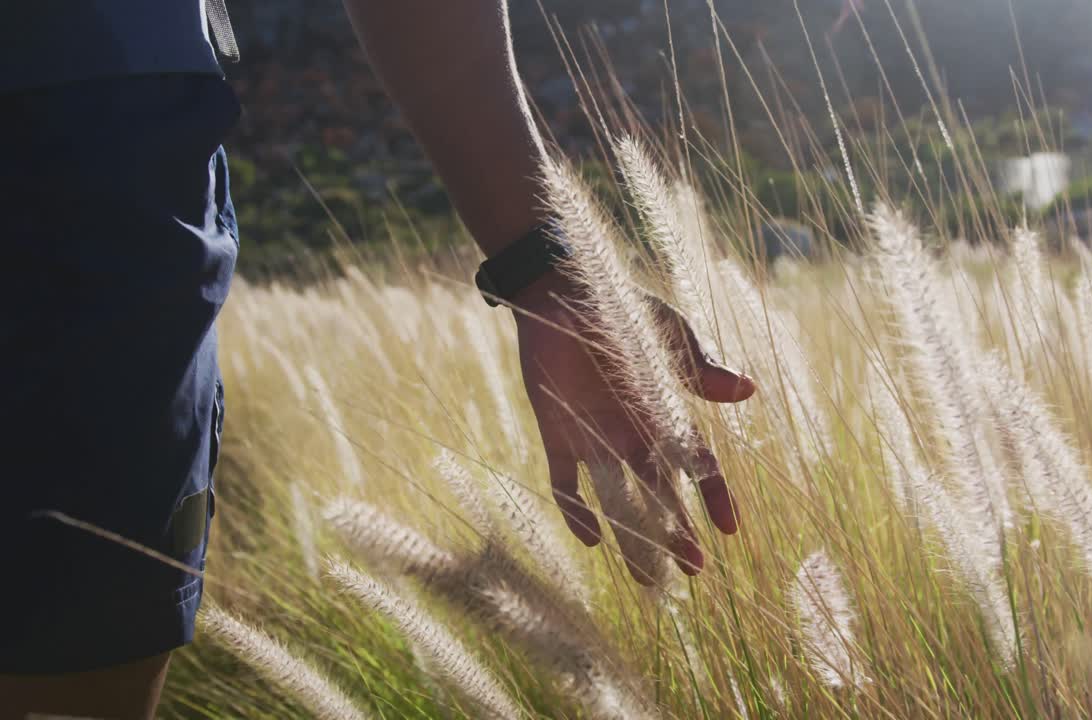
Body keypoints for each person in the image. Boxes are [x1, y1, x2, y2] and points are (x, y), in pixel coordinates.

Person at [0, 1, 755, 717]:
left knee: (76, 657)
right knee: (73, 659)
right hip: (91, 156)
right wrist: (539, 265)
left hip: (91, 162)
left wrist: (545, 267)